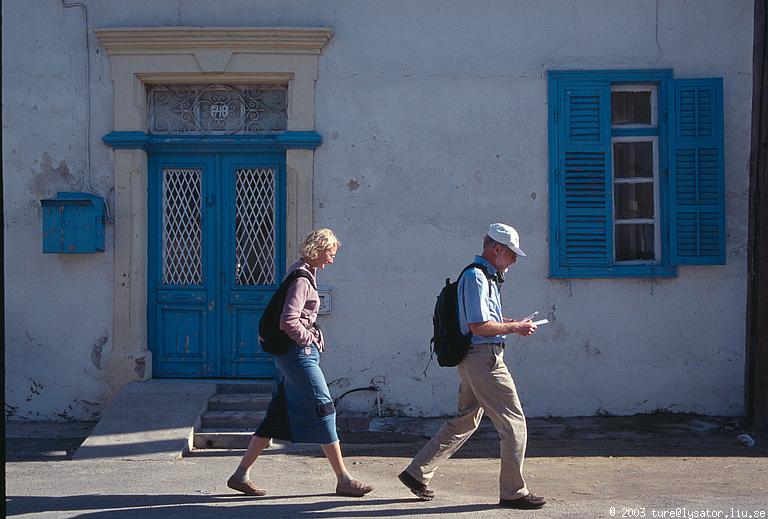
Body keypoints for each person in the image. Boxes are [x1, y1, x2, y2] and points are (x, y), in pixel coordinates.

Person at [398, 223, 546, 510]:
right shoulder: (477, 278)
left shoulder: (485, 277)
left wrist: (510, 324)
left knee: (466, 420)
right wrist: (515, 327)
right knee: (514, 424)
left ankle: (417, 472)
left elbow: (484, 322)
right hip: (484, 359)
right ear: (496, 249)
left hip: (475, 356)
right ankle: (513, 492)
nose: (514, 260)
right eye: (511, 254)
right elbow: (479, 325)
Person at [227, 228, 374, 498]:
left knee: (276, 415)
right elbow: (288, 320)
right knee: (325, 407)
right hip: (297, 356)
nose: (331, 260)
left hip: (288, 356)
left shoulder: (299, 270)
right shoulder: (302, 280)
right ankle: (344, 479)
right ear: (318, 251)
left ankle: (240, 475)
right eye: (330, 254)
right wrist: (309, 338)